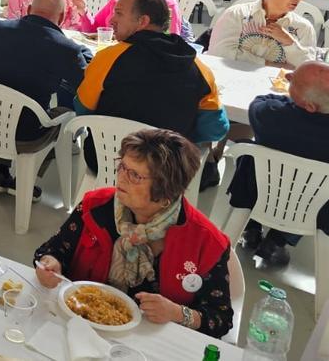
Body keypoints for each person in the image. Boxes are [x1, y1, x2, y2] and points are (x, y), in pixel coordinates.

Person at [35, 129, 233, 339]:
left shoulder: (206, 241)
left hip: (152, 343)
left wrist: (177, 312)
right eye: (122, 166)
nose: (121, 177)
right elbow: (52, 251)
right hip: (80, 329)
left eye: (135, 175)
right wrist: (50, 263)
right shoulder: (95, 207)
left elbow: (220, 318)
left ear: (166, 192)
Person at [76, 0, 229, 171]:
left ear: (143, 21)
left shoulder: (107, 59)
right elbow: (216, 129)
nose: (111, 19)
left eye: (118, 13)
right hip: (167, 173)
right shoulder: (198, 68)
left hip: (108, 161)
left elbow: (83, 110)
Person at [0, 0, 91, 194]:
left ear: (29, 9)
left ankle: (2, 170)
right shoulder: (66, 48)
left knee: (8, 93)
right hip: (26, 133)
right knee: (63, 112)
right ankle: (28, 179)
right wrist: (83, 53)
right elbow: (85, 87)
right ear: (62, 17)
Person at [229, 61, 329, 267]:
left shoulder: (272, 115)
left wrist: (290, 98)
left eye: (294, 81)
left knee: (250, 152)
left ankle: (252, 227)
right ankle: (277, 241)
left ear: (309, 106)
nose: (287, 78)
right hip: (311, 209)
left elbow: (259, 101)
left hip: (258, 194)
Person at [207, 0, 316, 67]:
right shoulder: (237, 14)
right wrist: (271, 65)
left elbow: (307, 69)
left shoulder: (303, 28)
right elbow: (219, 53)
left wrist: (289, 42)